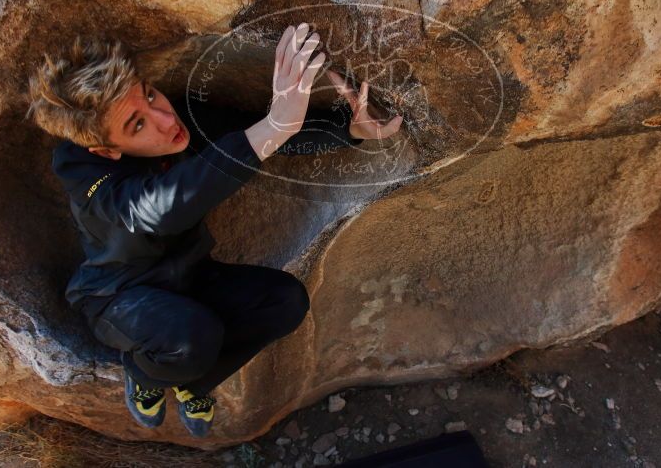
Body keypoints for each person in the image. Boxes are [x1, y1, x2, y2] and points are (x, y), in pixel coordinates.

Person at [25, 23, 403, 438]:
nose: (165, 118)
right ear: (106, 150)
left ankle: (194, 383)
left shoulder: (180, 119)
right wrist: (274, 127)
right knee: (190, 338)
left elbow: (259, 134)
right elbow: (151, 210)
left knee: (285, 302)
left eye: (151, 94)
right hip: (120, 298)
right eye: (137, 125)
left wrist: (349, 129)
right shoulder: (82, 169)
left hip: (190, 278)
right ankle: (145, 376)